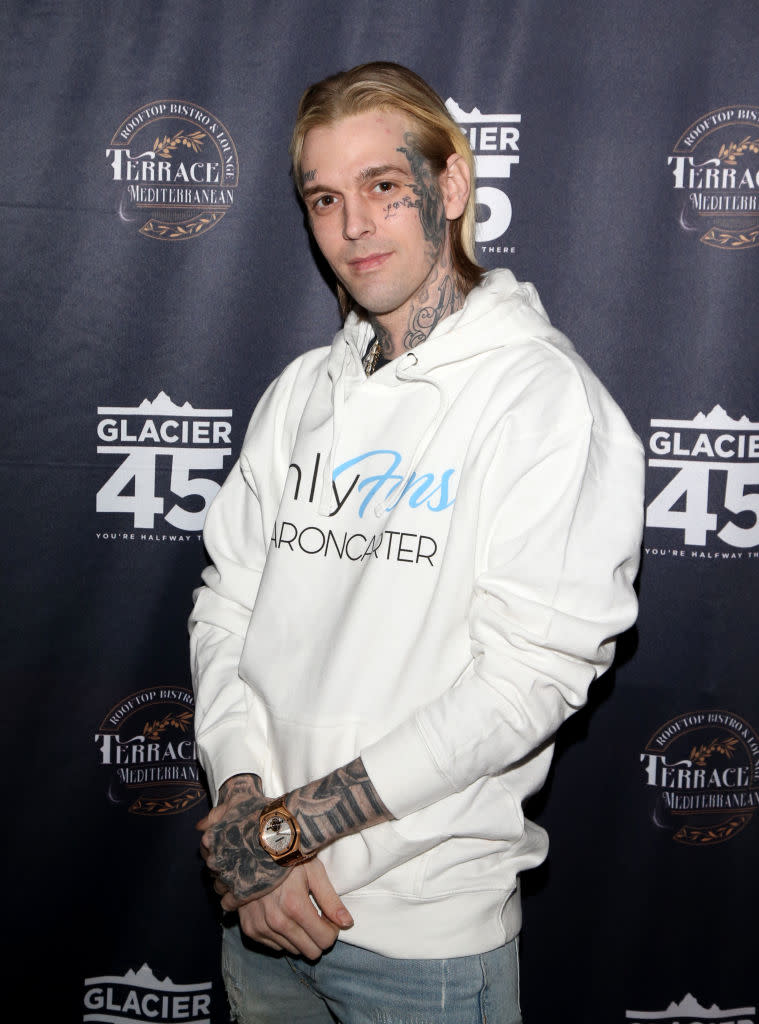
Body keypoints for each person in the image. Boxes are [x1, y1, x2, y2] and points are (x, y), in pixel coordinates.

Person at [189, 61, 644, 1024]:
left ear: (449, 187)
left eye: (382, 187)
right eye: (324, 198)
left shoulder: (542, 399)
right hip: (262, 915)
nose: (352, 225)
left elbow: (528, 677)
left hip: (420, 941)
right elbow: (227, 602)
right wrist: (242, 808)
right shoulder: (300, 392)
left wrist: (282, 832)